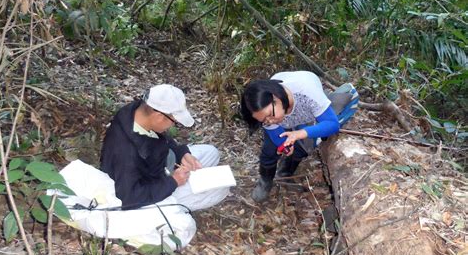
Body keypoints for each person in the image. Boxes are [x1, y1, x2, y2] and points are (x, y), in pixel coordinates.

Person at [100, 84, 229, 211]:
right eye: (173, 121)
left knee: (212, 152)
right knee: (221, 191)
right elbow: (129, 197)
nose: (173, 125)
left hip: (159, 166)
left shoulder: (138, 111)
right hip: (148, 191)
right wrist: (174, 182)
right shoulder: (125, 152)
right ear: (159, 116)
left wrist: (182, 154)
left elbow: (162, 140)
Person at [240, 71, 358, 203]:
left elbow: (332, 124)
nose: (270, 121)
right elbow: (276, 134)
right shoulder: (265, 111)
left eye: (270, 115)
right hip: (288, 111)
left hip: (306, 111)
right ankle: (265, 181)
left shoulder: (308, 94)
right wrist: (284, 144)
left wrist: (300, 134)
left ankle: (285, 172)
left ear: (276, 98)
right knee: (269, 150)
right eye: (264, 120)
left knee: (304, 145)